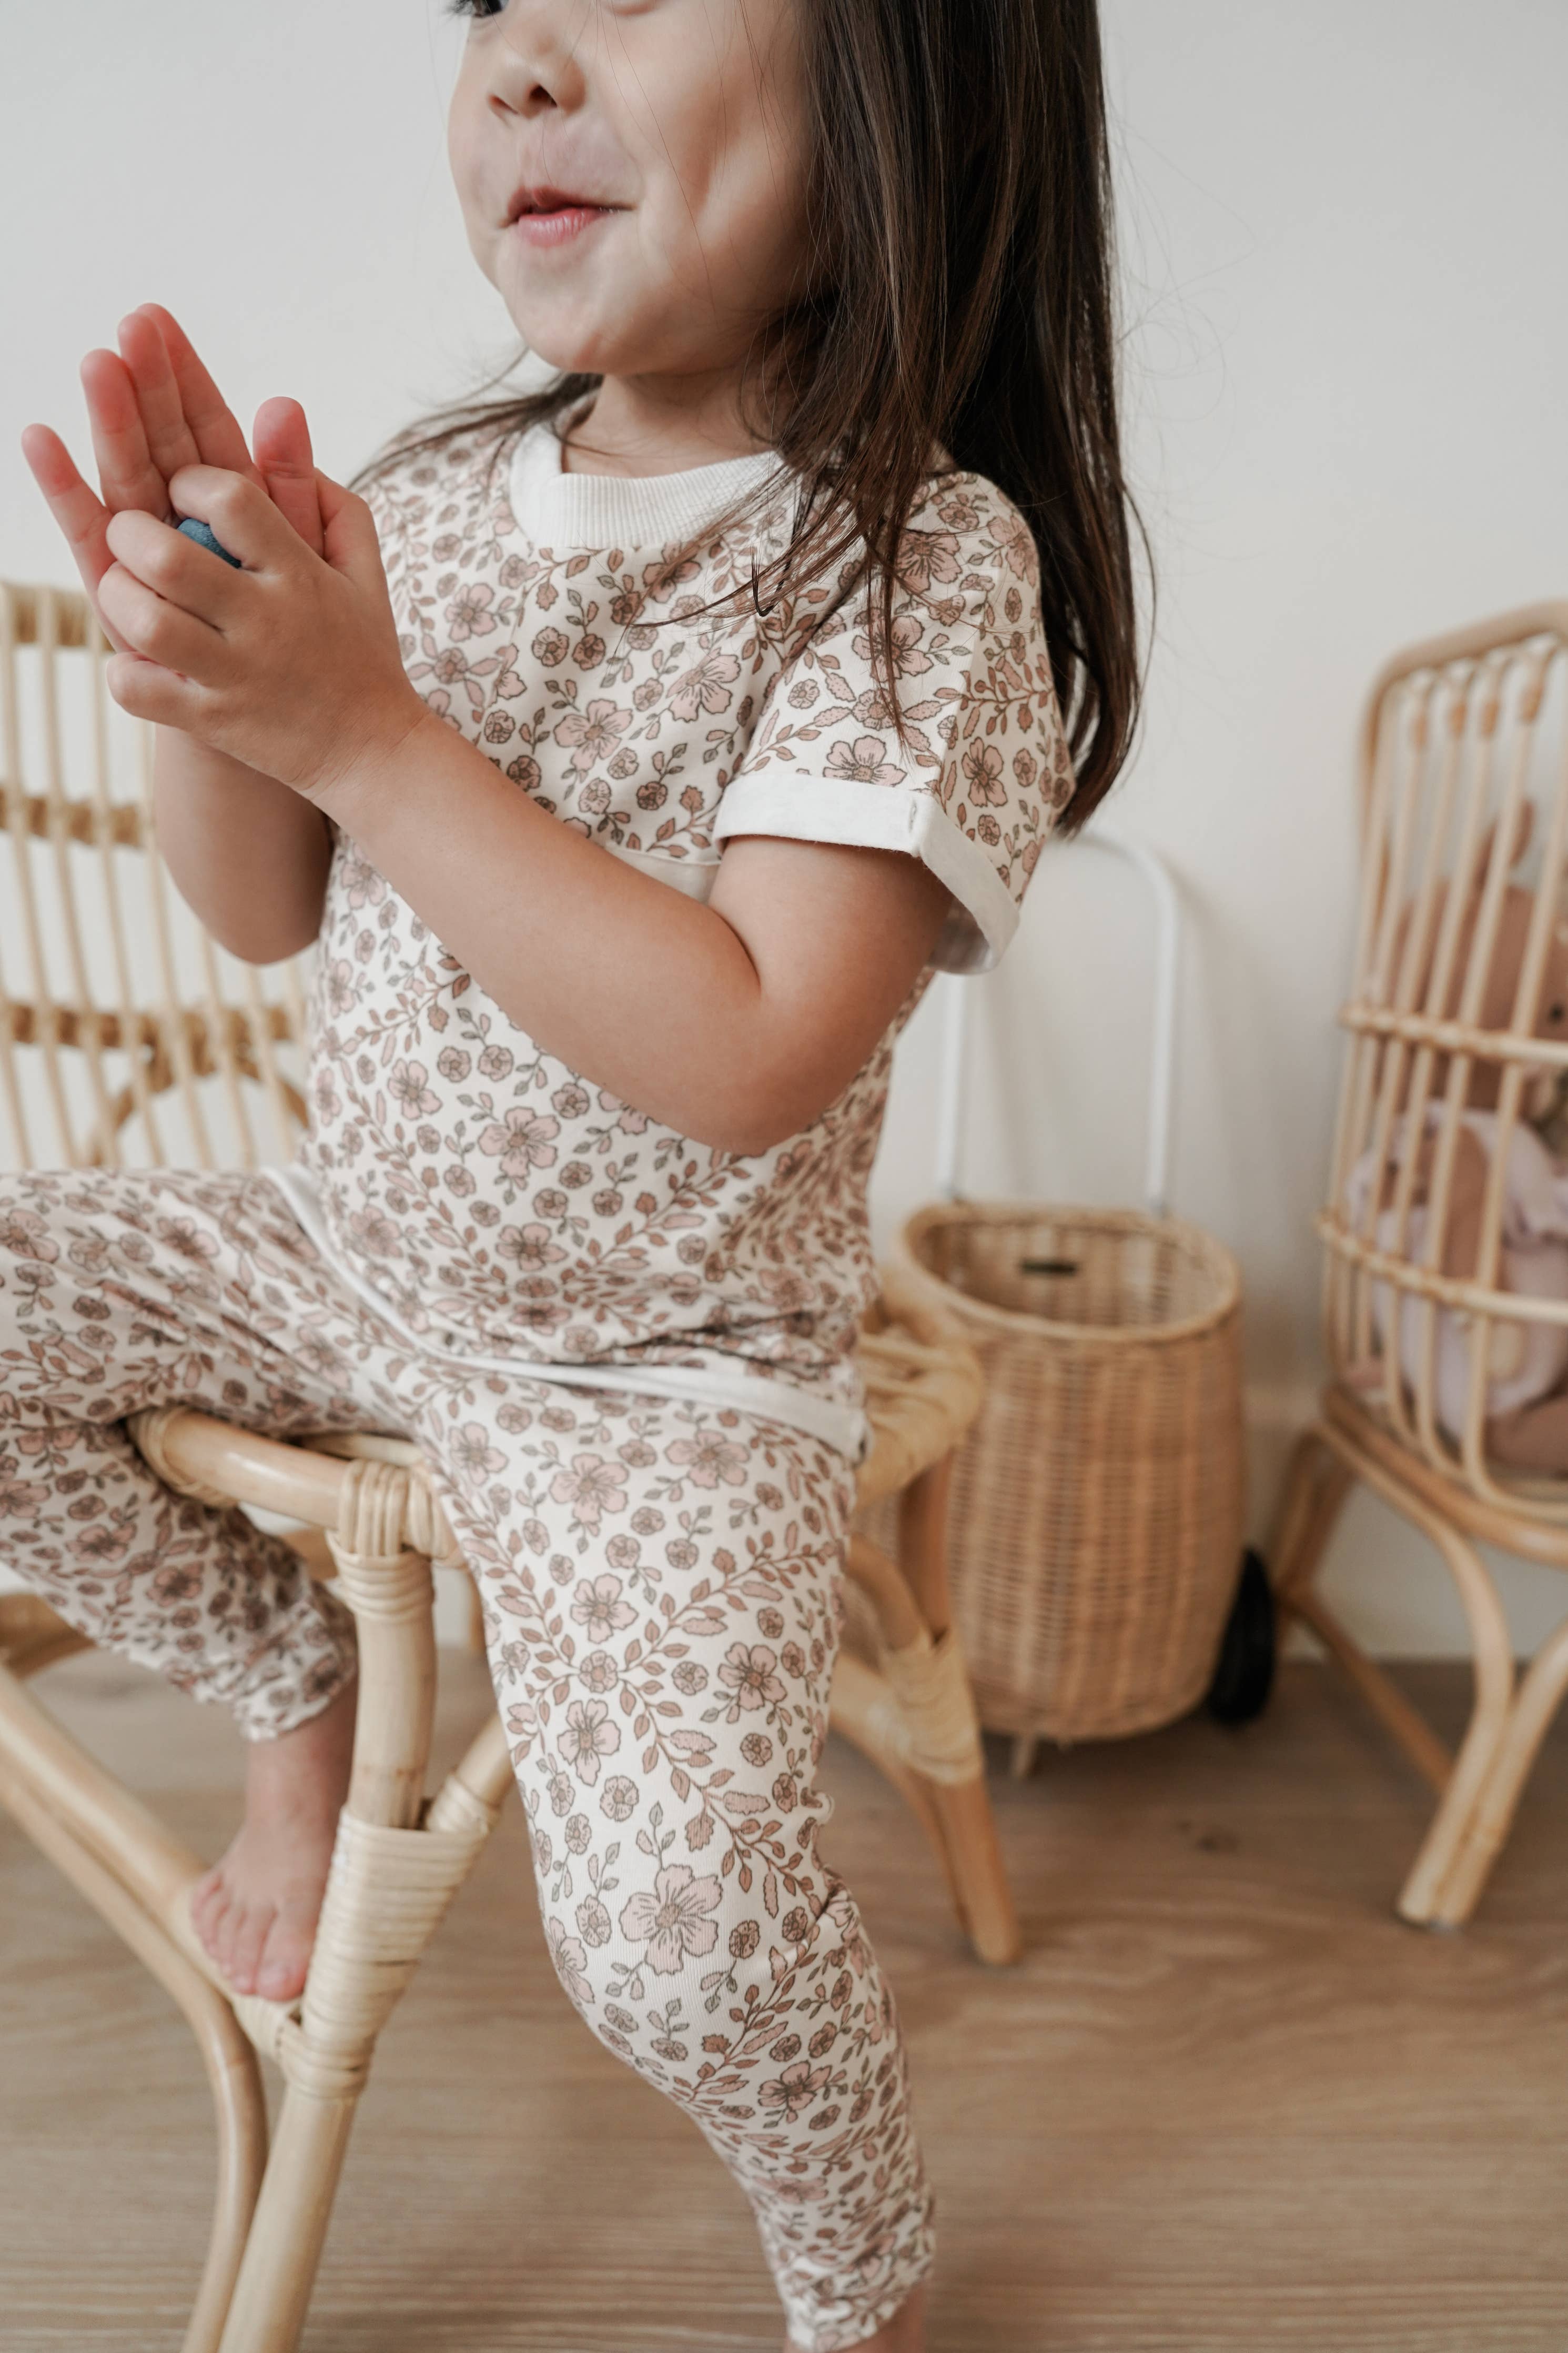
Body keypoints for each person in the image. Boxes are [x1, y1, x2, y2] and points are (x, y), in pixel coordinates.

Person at [14, 3, 1142, 2344]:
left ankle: (860, 2274)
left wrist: (365, 722)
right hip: (351, 1250)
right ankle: (286, 1669)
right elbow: (260, 906)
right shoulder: (430, 496)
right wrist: (222, 665)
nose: (521, 61)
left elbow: (743, 1050)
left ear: (906, 93)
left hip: (663, 1371)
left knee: (678, 1935)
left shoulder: (908, 565)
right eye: (494, 7)